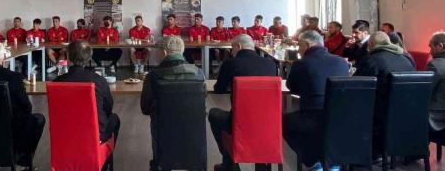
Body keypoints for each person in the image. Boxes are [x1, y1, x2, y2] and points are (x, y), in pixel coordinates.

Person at [209, 34, 277, 171]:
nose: (231, 52)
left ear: (238, 46)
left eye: (232, 48)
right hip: (268, 122)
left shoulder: (230, 63)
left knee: (214, 114)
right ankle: (263, 166)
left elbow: (219, 89)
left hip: (240, 122)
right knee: (259, 124)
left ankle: (230, 164)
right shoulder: (270, 64)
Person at [283, 31, 349, 170]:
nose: (299, 50)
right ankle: (332, 162)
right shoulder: (341, 62)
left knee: (283, 122)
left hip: (312, 116)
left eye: (300, 46)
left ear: (307, 45)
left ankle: (312, 160)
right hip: (340, 117)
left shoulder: (301, 64)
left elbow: (292, 87)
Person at [140, 36, 205, 170]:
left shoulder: (153, 76)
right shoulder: (199, 73)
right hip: (194, 128)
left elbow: (145, 108)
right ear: (182, 51)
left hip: (163, 129)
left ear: (164, 53)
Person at [354, 31, 415, 155]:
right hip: (407, 112)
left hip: (380, 115)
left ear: (371, 44)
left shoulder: (371, 60)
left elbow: (356, 85)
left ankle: (359, 154)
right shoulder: (406, 58)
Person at [54, 40, 120, 145]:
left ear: (68, 56)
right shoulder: (98, 81)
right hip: (93, 135)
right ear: (89, 58)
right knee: (113, 118)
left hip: (63, 134)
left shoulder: (57, 82)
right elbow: (108, 107)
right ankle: (103, 154)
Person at [426, 32, 445, 133]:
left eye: (431, 47)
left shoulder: (436, 65)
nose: (430, 52)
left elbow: (423, 94)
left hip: (435, 120)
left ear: (440, 46)